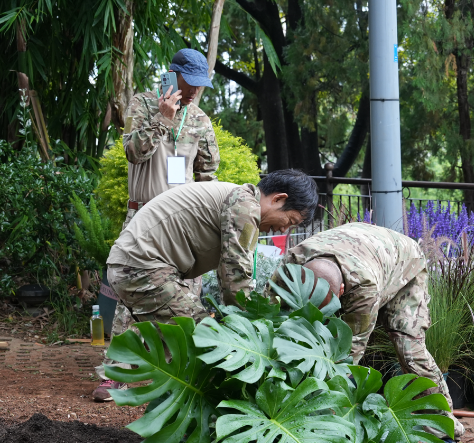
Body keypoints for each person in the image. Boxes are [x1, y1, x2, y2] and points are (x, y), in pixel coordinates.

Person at [92, 170, 319, 401]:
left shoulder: (237, 196)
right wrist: (249, 331)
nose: (283, 230)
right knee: (207, 339)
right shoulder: (245, 206)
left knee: (176, 343)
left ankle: (173, 402)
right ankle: (211, 410)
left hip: (138, 266)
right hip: (143, 269)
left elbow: (228, 273)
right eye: (289, 221)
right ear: (278, 199)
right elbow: (235, 276)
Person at [269, 222, 464, 439]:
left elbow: (348, 354)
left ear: (342, 291)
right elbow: (271, 318)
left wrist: (324, 405)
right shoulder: (291, 267)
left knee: (408, 345)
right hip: (362, 249)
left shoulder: (365, 288)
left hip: (403, 260)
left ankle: (445, 424)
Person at [109, 48, 220, 344]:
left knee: (184, 296)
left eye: (200, 83)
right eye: (190, 81)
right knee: (135, 290)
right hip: (144, 217)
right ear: (172, 75)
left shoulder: (200, 119)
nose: (195, 90)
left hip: (185, 223)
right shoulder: (143, 105)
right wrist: (163, 118)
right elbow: (134, 153)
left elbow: (207, 176)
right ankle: (117, 371)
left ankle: (176, 370)